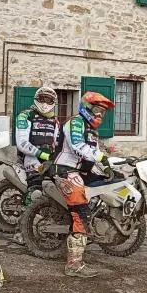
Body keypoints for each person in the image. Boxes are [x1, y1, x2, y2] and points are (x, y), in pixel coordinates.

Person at [53, 91, 115, 278]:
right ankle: (73, 265)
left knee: (113, 182)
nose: (99, 115)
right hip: (65, 170)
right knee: (81, 213)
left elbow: (93, 154)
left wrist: (107, 167)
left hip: (82, 171)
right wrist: (102, 158)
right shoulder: (76, 122)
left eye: (103, 113)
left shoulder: (92, 130)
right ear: (86, 108)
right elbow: (78, 146)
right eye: (97, 110)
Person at [13, 86, 60, 245]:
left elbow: (57, 143)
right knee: (36, 191)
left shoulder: (55, 120)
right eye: (42, 99)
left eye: (49, 100)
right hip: (31, 158)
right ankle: (20, 230)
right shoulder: (26, 116)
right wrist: (41, 154)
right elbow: (21, 142)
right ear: (36, 99)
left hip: (50, 160)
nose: (45, 103)